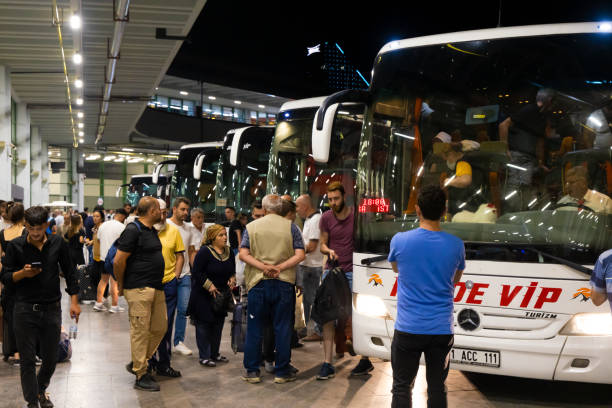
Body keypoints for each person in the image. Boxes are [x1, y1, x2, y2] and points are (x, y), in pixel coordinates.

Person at [388, 185, 465, 408]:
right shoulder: (456, 245)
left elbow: (396, 269)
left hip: (408, 328)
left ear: (417, 209)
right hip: (441, 330)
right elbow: (455, 279)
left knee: (402, 387)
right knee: (437, 388)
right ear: (444, 211)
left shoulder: (400, 240)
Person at [0, 206, 81, 408]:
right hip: (24, 309)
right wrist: (22, 274)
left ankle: (40, 389)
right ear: (25, 225)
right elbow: (6, 277)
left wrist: (74, 301)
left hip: (52, 309)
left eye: (39, 228)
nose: (35, 233)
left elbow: (70, 273)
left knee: (51, 359)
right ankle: (32, 402)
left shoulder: (58, 243)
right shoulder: (16, 246)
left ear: (46, 225)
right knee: (27, 360)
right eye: (31, 228)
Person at [239, 194, 305, 384]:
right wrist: (279, 268)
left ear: (266, 209)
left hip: (258, 283)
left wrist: (263, 267)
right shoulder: (291, 227)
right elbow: (300, 254)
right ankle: (282, 372)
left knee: (255, 328)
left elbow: (243, 254)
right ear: (281, 208)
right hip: (284, 283)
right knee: (283, 328)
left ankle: (252, 371)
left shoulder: (251, 227)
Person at [318, 181, 373, 379]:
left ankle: (365, 359)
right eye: (330, 199)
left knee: (359, 314)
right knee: (327, 317)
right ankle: (327, 363)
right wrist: (328, 250)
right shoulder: (325, 218)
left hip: (355, 271)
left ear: (344, 197)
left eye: (336, 198)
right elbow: (322, 244)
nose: (333, 202)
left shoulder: (357, 216)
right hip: (332, 271)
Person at [114, 197, 166, 392]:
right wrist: (121, 284)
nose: (162, 213)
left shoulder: (151, 230)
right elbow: (119, 261)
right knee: (140, 331)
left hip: (156, 287)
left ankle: (138, 360)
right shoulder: (132, 230)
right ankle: (141, 374)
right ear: (152, 210)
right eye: (159, 210)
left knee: (160, 327)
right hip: (138, 288)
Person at [188, 225, 236, 367]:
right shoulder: (204, 252)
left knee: (218, 324)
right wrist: (209, 285)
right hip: (203, 294)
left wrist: (232, 278)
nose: (225, 237)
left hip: (221, 294)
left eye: (225, 234)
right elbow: (197, 272)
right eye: (221, 235)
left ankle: (215, 353)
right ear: (212, 238)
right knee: (203, 325)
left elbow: (232, 269)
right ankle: (204, 355)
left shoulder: (229, 251)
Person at [148, 198, 185, 378]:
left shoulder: (173, 231)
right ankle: (148, 362)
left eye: (164, 212)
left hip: (168, 284)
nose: (163, 216)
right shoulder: (145, 231)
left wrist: (175, 277)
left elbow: (180, 256)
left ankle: (164, 363)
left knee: (165, 326)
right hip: (148, 285)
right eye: (159, 213)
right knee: (147, 326)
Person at [166, 197, 195, 356]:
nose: (185, 212)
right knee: (167, 312)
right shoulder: (165, 226)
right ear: (174, 209)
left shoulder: (189, 229)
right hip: (168, 275)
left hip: (185, 275)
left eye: (187, 210)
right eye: (182, 209)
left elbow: (190, 251)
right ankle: (164, 342)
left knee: (183, 310)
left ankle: (178, 342)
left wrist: (194, 270)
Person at [295, 194, 323, 339]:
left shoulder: (316, 220)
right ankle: (305, 329)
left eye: (297, 206)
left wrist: (294, 251)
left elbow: (311, 246)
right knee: (305, 301)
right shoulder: (309, 220)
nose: (296, 210)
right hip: (307, 265)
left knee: (311, 300)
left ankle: (317, 331)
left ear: (305, 206)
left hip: (312, 267)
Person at [0, 202, 25, 365]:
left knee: (9, 313)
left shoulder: (2, 233)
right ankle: (20, 353)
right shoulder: (24, 232)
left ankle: (10, 350)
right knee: (23, 314)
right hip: (23, 276)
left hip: (7, 277)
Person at [96, 208, 128, 313]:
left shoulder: (103, 225)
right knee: (114, 281)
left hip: (103, 257)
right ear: (122, 216)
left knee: (103, 280)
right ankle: (114, 306)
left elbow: (99, 240)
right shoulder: (123, 227)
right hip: (114, 258)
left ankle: (99, 303)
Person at [87, 210, 106, 311]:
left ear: (102, 218)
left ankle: (102, 298)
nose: (95, 218)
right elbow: (96, 240)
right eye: (94, 216)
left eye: (97, 216)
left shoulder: (103, 228)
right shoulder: (95, 228)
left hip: (103, 257)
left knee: (102, 278)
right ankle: (99, 297)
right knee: (95, 277)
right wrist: (91, 242)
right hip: (96, 256)